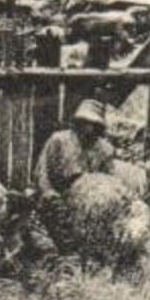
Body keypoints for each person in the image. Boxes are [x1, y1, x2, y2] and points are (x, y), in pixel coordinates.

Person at [33, 98, 116, 248]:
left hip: (90, 203)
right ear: (78, 121)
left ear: (99, 126)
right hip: (60, 196)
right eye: (84, 121)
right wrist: (48, 192)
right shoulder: (59, 140)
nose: (88, 127)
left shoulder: (105, 149)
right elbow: (42, 170)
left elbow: (109, 180)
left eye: (92, 123)